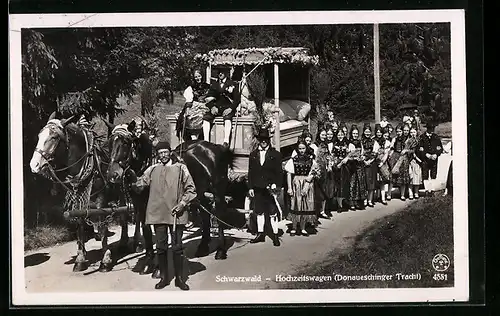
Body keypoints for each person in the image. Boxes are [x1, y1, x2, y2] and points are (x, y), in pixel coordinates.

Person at [131, 141, 197, 291]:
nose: (163, 155)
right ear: (157, 155)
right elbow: (140, 184)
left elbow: (191, 189)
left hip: (176, 214)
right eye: (160, 153)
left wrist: (182, 203)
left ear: (170, 152)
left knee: (177, 247)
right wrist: (131, 178)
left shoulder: (181, 168)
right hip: (158, 214)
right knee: (160, 247)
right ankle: (164, 278)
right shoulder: (152, 169)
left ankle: (180, 279)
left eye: (165, 152)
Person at [247, 128, 283, 246]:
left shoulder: (275, 155)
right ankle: (260, 234)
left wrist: (276, 186)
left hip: (270, 189)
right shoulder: (253, 155)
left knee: (272, 211)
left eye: (265, 140)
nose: (263, 142)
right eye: (261, 140)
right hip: (257, 188)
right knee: (259, 211)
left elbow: (279, 172)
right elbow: (250, 172)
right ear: (258, 140)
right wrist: (250, 187)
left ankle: (275, 235)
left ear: (268, 140)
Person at [285, 139, 320, 236]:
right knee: (296, 203)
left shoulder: (310, 160)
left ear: (306, 148)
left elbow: (314, 171)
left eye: (303, 148)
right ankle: (294, 227)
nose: (301, 150)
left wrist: (308, 181)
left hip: (307, 184)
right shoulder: (293, 160)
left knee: (305, 204)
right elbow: (289, 174)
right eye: (300, 148)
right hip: (296, 183)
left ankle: (303, 227)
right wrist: (289, 188)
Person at [203, 68, 241, 148]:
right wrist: (212, 107)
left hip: (228, 108)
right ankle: (206, 142)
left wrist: (231, 108)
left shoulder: (232, 84)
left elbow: (237, 99)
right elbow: (208, 98)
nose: (220, 74)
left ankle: (226, 141)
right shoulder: (214, 84)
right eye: (219, 72)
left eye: (222, 72)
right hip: (216, 108)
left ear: (226, 73)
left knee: (227, 118)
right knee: (206, 117)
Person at [176, 69, 211, 142]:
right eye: (196, 77)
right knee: (190, 117)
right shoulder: (191, 87)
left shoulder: (208, 86)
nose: (198, 78)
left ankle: (205, 140)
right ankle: (194, 139)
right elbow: (189, 100)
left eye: (199, 76)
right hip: (195, 105)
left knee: (202, 117)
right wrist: (188, 109)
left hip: (205, 106)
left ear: (202, 76)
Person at [416, 122, 443, 196]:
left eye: (433, 128)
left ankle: (432, 190)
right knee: (425, 174)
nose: (432, 130)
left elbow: (440, 148)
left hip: (434, 159)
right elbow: (419, 149)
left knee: (433, 174)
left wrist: (436, 154)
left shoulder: (436, 137)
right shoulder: (422, 137)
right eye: (431, 128)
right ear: (427, 129)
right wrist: (426, 154)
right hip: (425, 159)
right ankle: (427, 190)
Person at [346, 125, 367, 210]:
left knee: (359, 184)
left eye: (356, 133)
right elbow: (348, 156)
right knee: (352, 184)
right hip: (352, 166)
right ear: (351, 134)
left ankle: (357, 202)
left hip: (359, 165)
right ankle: (351, 203)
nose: (355, 135)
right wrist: (354, 158)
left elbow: (362, 152)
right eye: (354, 133)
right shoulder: (349, 142)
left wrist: (362, 157)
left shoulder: (360, 142)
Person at [361, 123, 379, 207]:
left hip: (372, 164)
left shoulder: (374, 142)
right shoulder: (361, 141)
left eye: (369, 132)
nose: (367, 133)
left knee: (371, 182)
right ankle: (364, 200)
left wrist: (370, 161)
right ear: (364, 132)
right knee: (365, 182)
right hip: (363, 163)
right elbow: (360, 152)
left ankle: (370, 200)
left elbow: (375, 153)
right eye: (366, 131)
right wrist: (364, 160)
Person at [376, 126, 393, 205]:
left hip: (383, 162)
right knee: (376, 180)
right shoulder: (374, 141)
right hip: (375, 162)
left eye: (380, 132)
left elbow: (386, 153)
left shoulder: (386, 142)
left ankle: (383, 197)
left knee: (383, 180)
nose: (379, 134)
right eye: (378, 132)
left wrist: (382, 162)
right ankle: (376, 196)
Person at [408, 126, 423, 199]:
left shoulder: (419, 140)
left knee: (417, 176)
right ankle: (410, 193)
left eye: (414, 132)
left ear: (416, 133)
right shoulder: (408, 141)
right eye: (411, 132)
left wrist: (418, 158)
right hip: (410, 160)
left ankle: (416, 192)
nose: (412, 134)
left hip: (417, 161)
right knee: (410, 177)